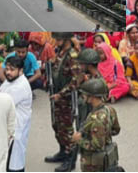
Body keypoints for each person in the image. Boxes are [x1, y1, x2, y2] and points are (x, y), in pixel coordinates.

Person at [45, 32, 78, 172]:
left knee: (67, 130)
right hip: (57, 96)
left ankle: (70, 160)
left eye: (59, 39)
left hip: (66, 98)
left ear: (66, 40)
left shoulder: (72, 56)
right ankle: (62, 152)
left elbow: (76, 80)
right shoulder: (60, 53)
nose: (56, 41)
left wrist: (61, 94)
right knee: (57, 126)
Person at [72, 79, 120, 172]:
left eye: (85, 95)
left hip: (94, 164)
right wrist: (103, 134)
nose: (83, 97)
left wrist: (79, 140)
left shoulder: (97, 119)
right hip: (107, 156)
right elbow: (116, 130)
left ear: (92, 97)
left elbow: (96, 146)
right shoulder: (110, 109)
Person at [0, 55, 33, 172]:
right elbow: (0, 92)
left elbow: (3, 104)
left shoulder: (21, 86)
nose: (8, 72)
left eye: (12, 70)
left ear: (21, 71)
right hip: (9, 128)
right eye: (7, 69)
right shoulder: (11, 81)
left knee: (13, 163)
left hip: (16, 130)